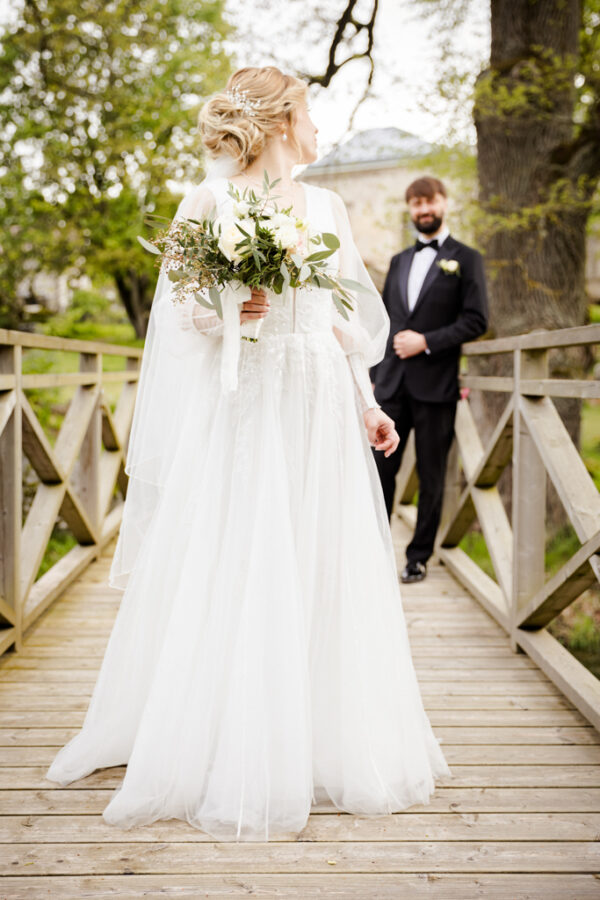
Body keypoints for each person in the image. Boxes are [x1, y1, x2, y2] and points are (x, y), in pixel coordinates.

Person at [45, 67, 452, 841]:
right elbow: (178, 321)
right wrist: (232, 307)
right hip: (247, 405)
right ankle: (228, 739)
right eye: (310, 112)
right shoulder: (210, 202)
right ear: (278, 120)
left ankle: (318, 731)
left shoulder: (327, 206)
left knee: (317, 557)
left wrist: (368, 405)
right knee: (241, 556)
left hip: (319, 405)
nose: (320, 128)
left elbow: (339, 323)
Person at [371, 176, 488, 584]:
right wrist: (372, 378)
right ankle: (375, 550)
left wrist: (426, 341)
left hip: (437, 384)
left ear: (444, 203)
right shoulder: (399, 260)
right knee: (380, 470)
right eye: (416, 204)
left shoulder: (467, 259)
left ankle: (418, 557)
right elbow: (383, 324)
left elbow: (477, 320)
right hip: (390, 386)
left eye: (430, 202)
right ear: (410, 209)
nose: (423, 210)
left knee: (433, 474)